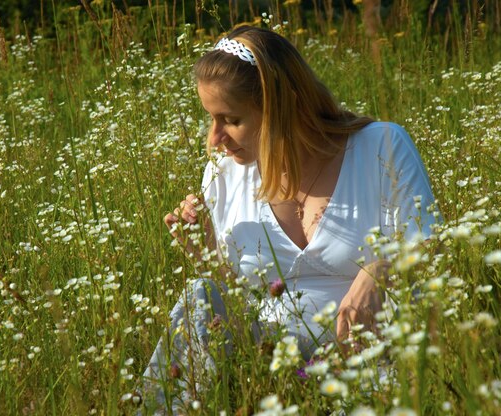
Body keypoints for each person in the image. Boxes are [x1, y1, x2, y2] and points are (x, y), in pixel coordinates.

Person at [143, 25, 439, 411]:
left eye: (230, 119)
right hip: (269, 359)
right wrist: (206, 255)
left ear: (285, 105)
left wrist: (384, 268)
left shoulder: (381, 147)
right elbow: (241, 298)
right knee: (198, 293)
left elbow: (432, 252)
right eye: (211, 119)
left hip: (369, 351)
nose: (215, 138)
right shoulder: (225, 174)